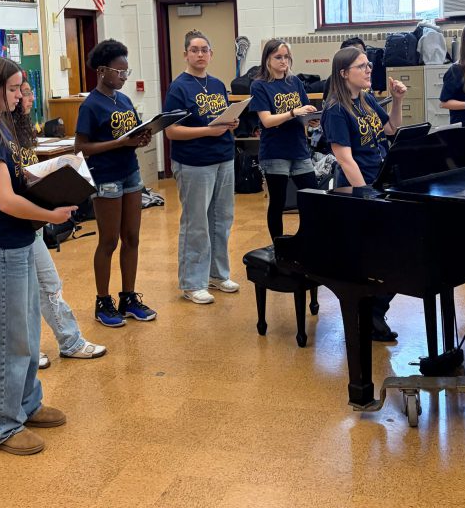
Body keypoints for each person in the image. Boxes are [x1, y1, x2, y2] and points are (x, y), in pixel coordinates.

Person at [0, 55, 75, 456]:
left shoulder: (2, 127)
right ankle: (2, 425)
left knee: (25, 335)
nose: (19, 95)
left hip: (20, 244)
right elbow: (6, 201)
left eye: (20, 87)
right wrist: (51, 213)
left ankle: (26, 405)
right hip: (3, 249)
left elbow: (15, 179)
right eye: (12, 88)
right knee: (7, 340)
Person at [13, 79, 106, 366]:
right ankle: (28, 351)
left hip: (33, 225)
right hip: (14, 228)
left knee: (49, 284)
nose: (27, 99)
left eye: (27, 92)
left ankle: (70, 341)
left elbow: (23, 174)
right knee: (23, 295)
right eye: (21, 93)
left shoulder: (24, 130)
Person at [320, 47, 407, 341]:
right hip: (358, 189)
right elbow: (345, 159)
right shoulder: (335, 109)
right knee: (377, 254)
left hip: (379, 181)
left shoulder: (367, 99)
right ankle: (368, 313)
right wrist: (367, 196)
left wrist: (397, 100)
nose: (369, 69)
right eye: (362, 66)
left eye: (369, 65)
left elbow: (392, 128)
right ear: (344, 74)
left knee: (395, 251)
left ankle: (375, 311)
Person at [75, 40, 155, 328]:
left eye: (126, 71)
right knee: (108, 241)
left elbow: (131, 134)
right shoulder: (90, 105)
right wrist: (118, 143)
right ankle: (103, 301)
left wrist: (140, 139)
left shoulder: (124, 101)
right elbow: (81, 147)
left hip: (130, 173)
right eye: (119, 71)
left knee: (131, 237)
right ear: (102, 71)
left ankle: (129, 297)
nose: (124, 76)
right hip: (105, 177)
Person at [164, 31, 240, 304]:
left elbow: (219, 119)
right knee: (196, 223)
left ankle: (217, 274)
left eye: (204, 49)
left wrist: (231, 123)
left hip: (224, 157)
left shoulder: (218, 84)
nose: (200, 54)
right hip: (194, 162)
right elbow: (171, 131)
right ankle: (192, 282)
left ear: (211, 53)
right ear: (185, 54)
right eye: (194, 50)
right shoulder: (179, 88)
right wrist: (208, 131)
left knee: (221, 220)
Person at [249, 39, 318, 243]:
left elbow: (304, 112)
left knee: (313, 197)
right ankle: (278, 246)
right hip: (275, 151)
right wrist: (292, 112)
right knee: (278, 202)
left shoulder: (294, 81)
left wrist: (312, 119)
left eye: (286, 57)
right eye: (278, 57)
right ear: (267, 59)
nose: (283, 61)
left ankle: (309, 239)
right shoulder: (259, 85)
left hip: (298, 148)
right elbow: (267, 121)